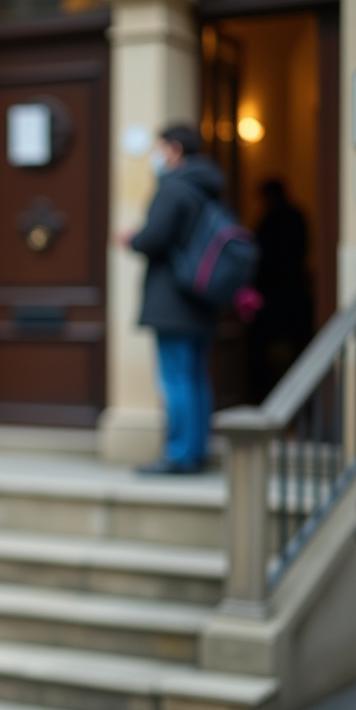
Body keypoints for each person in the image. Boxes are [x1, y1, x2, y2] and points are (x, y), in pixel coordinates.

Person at [127, 124, 223, 474]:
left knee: (176, 379)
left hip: (173, 301)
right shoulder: (208, 188)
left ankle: (179, 455)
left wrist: (132, 239)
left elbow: (153, 238)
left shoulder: (174, 187)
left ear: (174, 150)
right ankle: (195, 451)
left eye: (160, 148)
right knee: (195, 377)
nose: (157, 156)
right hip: (202, 298)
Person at [248, 179, 314, 401]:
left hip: (276, 294)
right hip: (293, 290)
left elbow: (262, 256)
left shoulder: (271, 219)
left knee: (278, 343)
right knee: (289, 342)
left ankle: (279, 393)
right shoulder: (296, 216)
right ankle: (290, 392)